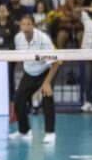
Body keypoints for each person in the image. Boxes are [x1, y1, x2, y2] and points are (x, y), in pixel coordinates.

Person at [10, 14, 61, 143]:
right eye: (23, 24)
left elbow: (56, 63)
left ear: (33, 25)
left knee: (46, 96)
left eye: (29, 24)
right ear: (20, 26)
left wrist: (47, 83)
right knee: (18, 99)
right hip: (30, 72)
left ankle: (50, 133)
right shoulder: (18, 38)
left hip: (46, 70)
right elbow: (21, 57)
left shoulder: (43, 39)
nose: (26, 27)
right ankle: (24, 131)